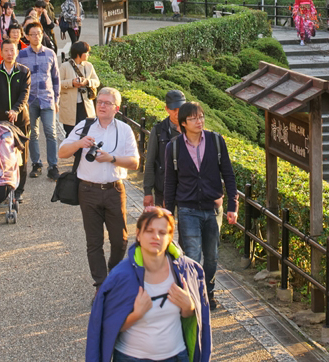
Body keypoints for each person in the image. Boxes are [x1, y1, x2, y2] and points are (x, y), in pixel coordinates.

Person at [86, 207, 210, 362]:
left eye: (162, 232)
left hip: (177, 356)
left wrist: (189, 308)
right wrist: (136, 314)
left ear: (170, 237)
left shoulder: (187, 271)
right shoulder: (120, 276)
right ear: (138, 234)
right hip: (130, 358)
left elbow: (200, 322)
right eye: (149, 231)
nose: (156, 237)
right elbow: (106, 327)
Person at [58, 88, 139, 289]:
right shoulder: (85, 126)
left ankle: (113, 273)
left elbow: (134, 162)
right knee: (93, 242)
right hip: (88, 191)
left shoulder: (124, 129)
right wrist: (79, 143)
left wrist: (112, 158)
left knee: (120, 241)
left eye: (107, 103)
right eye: (99, 102)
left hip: (114, 190)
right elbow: (62, 153)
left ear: (116, 108)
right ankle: (102, 285)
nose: (101, 106)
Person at [164, 102, 239, 310]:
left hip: (213, 208)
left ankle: (209, 290)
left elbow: (228, 175)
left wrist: (233, 205)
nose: (199, 121)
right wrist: (168, 215)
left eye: (201, 117)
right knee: (192, 255)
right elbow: (170, 183)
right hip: (187, 209)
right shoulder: (174, 147)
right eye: (194, 118)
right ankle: (194, 296)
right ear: (183, 123)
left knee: (212, 256)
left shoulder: (216, 141)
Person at [0, 40, 32, 200]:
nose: (10, 53)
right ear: (1, 53)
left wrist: (16, 110)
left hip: (21, 121)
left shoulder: (23, 72)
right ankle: (4, 188)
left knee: (21, 158)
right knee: (1, 156)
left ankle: (19, 191)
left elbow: (25, 94)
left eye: (12, 50)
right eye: (6, 50)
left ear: (17, 52)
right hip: (1, 122)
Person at [17, 21, 62, 180]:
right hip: (29, 100)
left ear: (43, 34)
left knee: (51, 132)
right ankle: (36, 164)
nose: (36, 37)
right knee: (33, 134)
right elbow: (18, 79)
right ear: (27, 36)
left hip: (47, 98)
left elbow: (56, 78)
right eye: (33, 34)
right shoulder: (21, 55)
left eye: (39, 33)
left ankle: (53, 165)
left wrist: (57, 99)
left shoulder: (50, 53)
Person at [143, 90, 186, 210]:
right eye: (174, 110)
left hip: (187, 190)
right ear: (167, 109)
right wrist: (147, 191)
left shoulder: (192, 128)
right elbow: (150, 161)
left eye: (181, 108)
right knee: (163, 226)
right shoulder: (158, 130)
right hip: (163, 189)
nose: (178, 113)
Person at [58, 40, 100, 138]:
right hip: (69, 106)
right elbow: (57, 84)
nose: (88, 54)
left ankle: (82, 153)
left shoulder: (89, 66)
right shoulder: (65, 66)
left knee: (86, 133)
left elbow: (97, 82)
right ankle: (72, 152)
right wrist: (71, 83)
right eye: (86, 52)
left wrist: (87, 82)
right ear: (78, 54)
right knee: (71, 133)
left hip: (85, 105)